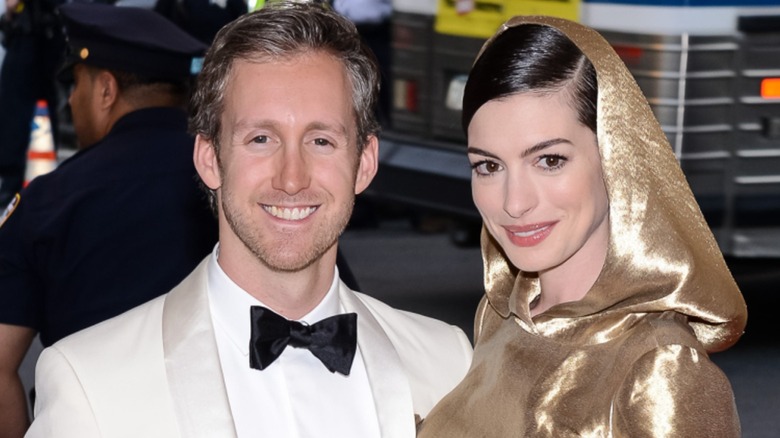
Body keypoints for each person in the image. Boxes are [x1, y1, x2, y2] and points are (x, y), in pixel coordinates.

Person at [26, 3, 472, 437]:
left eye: (320, 140)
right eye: (261, 138)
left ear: (365, 163)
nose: (292, 178)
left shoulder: (446, 363)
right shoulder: (90, 383)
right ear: (209, 159)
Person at [417, 15, 747, 437]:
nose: (514, 202)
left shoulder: (660, 368)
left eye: (550, 160)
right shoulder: (502, 314)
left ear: (616, 158)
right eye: (488, 166)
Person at [0, 3, 220, 436]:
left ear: (105, 90)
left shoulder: (49, 200)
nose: (73, 100)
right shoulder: (235, 182)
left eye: (76, 85)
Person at [0, 0, 65, 208]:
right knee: (26, 109)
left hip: (36, 38)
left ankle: (17, 181)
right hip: (38, 36)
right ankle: (30, 180)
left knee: (19, 110)